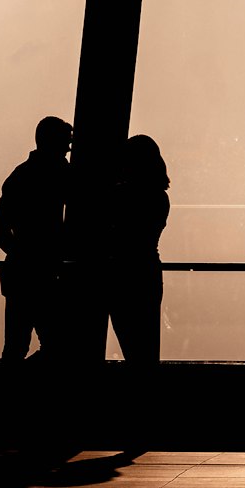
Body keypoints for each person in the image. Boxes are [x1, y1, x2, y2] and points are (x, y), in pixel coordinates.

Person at [0, 115, 72, 361]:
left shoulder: (20, 176)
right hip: (45, 274)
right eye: (66, 142)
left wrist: (21, 254)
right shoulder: (61, 175)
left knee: (15, 346)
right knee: (57, 346)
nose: (69, 149)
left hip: (20, 274)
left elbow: (0, 230)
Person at [107, 134, 170, 363]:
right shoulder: (160, 198)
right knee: (146, 347)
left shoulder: (120, 195)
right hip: (148, 272)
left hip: (122, 275)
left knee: (130, 342)